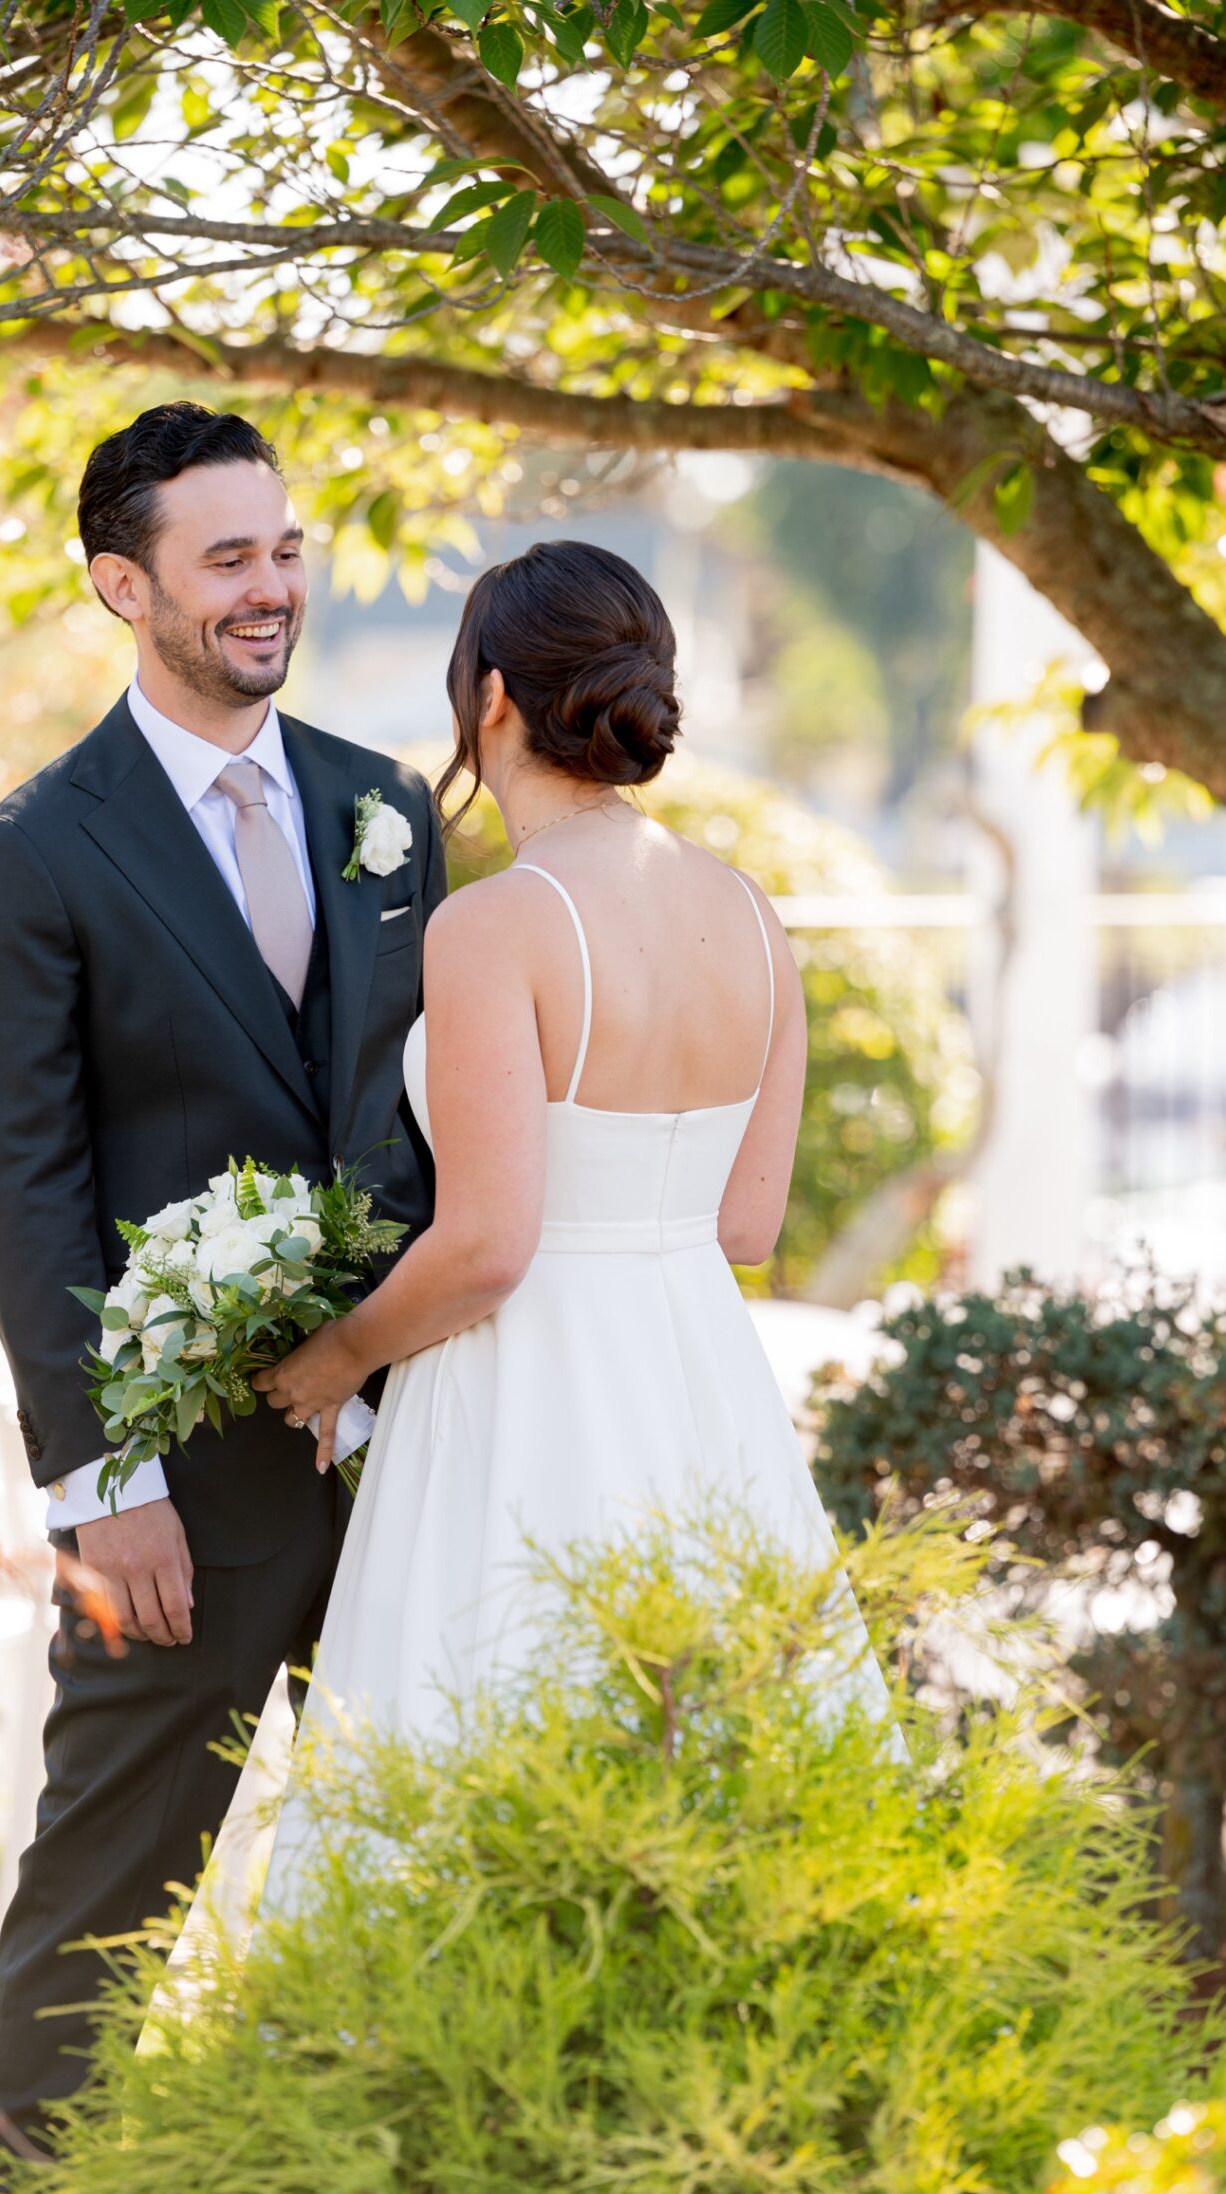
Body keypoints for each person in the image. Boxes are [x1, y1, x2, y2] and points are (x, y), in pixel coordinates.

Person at [0, 403, 445, 2194]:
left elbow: (421, 1122)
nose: (270, 586)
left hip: (407, 1448)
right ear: (121, 585)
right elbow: (27, 1194)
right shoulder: (33, 854)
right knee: (109, 1887)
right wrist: (102, 1484)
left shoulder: (382, 811)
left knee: (425, 1863)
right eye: (227, 556)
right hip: (179, 1496)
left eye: (285, 549)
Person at [249, 538, 885, 1899]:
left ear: (488, 699)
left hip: (523, 1388)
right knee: (711, 1770)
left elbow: (487, 1244)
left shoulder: (496, 929)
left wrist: (331, 1360)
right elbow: (749, 1222)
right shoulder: (751, 918)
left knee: (480, 1729)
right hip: (698, 1383)